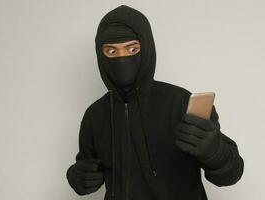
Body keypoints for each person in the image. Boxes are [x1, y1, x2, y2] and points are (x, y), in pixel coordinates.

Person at [66, 5, 244, 200]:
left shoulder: (181, 102)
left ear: (147, 48)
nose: (122, 57)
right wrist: (77, 177)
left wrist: (215, 153)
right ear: (101, 55)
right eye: (111, 51)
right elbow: (85, 166)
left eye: (132, 48)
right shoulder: (95, 115)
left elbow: (231, 174)